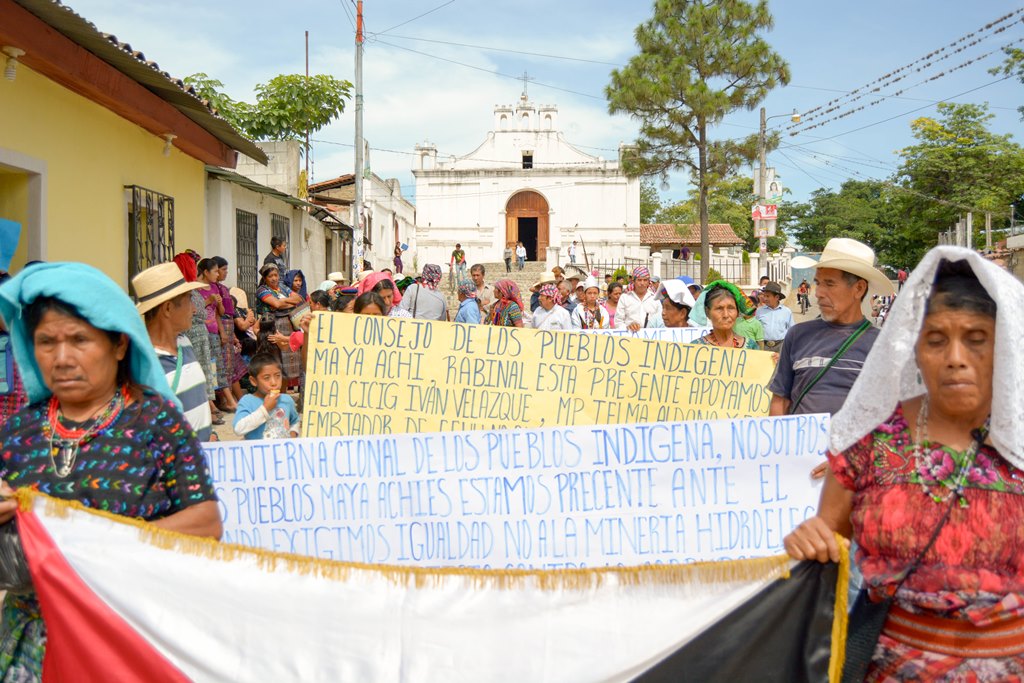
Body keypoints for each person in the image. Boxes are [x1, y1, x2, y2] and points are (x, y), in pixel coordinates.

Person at [784, 248, 1024, 680]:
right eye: (935, 340)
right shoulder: (869, 439)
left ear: (1004, 347)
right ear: (914, 349)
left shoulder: (1018, 441)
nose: (955, 357)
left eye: (976, 338)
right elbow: (830, 537)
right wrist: (810, 538)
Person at [0, 263, 222, 679]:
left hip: (129, 636)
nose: (61, 358)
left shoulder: (157, 422)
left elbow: (206, 523)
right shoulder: (18, 432)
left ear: (119, 344)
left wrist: (92, 545)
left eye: (79, 340)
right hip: (34, 651)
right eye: (46, 342)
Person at [769, 238, 893, 418]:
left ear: (859, 289)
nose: (818, 293)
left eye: (829, 284)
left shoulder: (882, 345)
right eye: (818, 283)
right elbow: (780, 400)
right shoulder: (797, 335)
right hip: (802, 437)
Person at [134, 262, 213, 442]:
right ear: (168, 308)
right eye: (189, 300)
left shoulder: (184, 342)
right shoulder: (144, 365)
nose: (194, 309)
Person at [172, 252, 218, 417]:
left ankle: (207, 406)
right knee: (195, 370)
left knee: (203, 371)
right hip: (192, 334)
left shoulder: (192, 289)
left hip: (199, 335)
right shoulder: (185, 291)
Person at [253, 264, 303, 392]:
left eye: (276, 275)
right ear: (265, 278)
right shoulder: (262, 290)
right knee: (276, 361)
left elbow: (298, 298)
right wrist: (288, 302)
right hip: (272, 326)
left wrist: (282, 303)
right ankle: (273, 393)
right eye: (270, 276)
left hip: (288, 325)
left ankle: (283, 393)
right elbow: (276, 303)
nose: (274, 278)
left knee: (288, 362)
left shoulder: (282, 286)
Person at [196, 258, 236, 413]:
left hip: (213, 332)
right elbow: (195, 310)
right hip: (201, 333)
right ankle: (211, 404)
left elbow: (220, 313)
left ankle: (229, 400)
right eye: (215, 271)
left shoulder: (214, 287)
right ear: (206, 272)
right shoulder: (195, 289)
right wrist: (208, 300)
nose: (218, 274)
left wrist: (222, 331)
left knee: (218, 366)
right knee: (206, 368)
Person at [233, 354, 300, 440]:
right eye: (266, 378)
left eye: (278, 376)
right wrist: (265, 409)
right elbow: (238, 429)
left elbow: (295, 421)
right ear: (253, 381)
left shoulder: (286, 400)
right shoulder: (247, 401)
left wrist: (293, 433)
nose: (274, 383)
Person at [690, 282, 759, 349]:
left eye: (731, 308)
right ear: (707, 312)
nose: (726, 315)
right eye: (719, 308)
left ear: (737, 312)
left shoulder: (751, 346)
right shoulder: (695, 348)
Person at [615, 266, 660, 331]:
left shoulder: (655, 299)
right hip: (629, 335)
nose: (642, 283)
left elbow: (660, 320)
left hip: (651, 336)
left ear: (648, 282)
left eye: (645, 280)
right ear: (633, 281)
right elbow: (618, 321)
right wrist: (628, 327)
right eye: (639, 280)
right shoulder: (624, 298)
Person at [755, 281, 793, 350]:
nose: (765, 299)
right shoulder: (759, 311)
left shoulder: (787, 312)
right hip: (763, 346)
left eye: (768, 296)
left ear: (777, 297)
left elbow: (792, 330)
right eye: (764, 296)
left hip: (781, 346)